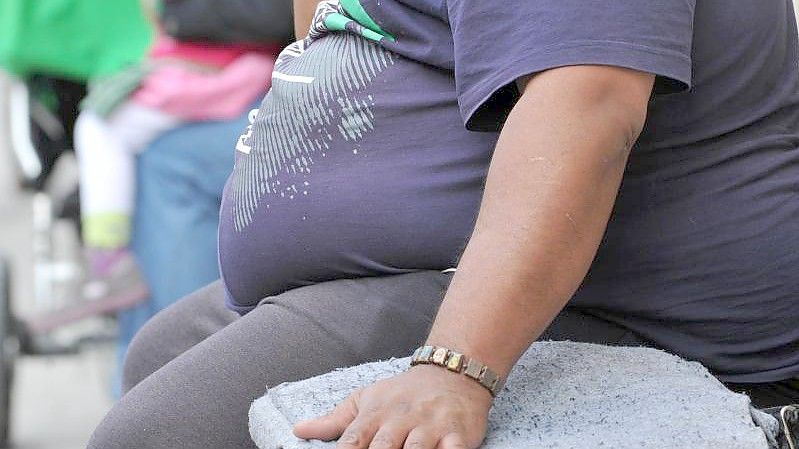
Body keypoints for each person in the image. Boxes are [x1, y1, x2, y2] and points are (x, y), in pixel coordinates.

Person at [88, 0, 799, 448]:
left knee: (156, 434)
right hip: (417, 270)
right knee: (163, 351)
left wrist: (453, 369)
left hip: (627, 308)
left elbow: (589, 106)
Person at [73, 0, 280, 307]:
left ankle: (109, 254)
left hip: (235, 69)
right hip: (236, 65)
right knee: (141, 150)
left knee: (143, 151)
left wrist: (175, 13)